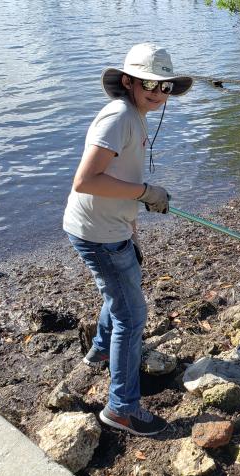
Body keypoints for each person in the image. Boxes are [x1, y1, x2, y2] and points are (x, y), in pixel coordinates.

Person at [62, 43, 193, 436]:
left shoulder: (136, 115)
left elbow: (120, 176)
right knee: (132, 315)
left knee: (123, 291)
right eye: (149, 83)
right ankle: (121, 408)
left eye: (165, 86)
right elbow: (85, 180)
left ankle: (101, 351)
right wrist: (146, 193)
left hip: (111, 228)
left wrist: (133, 220)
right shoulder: (118, 117)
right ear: (128, 81)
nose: (158, 92)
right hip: (96, 233)